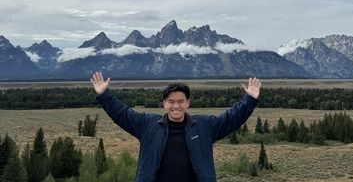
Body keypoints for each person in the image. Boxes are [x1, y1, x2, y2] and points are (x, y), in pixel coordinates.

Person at [91, 71, 261, 182]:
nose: (176, 106)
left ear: (188, 103)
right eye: (171, 101)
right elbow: (122, 114)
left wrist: (250, 100)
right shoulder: (148, 125)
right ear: (164, 103)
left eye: (180, 101)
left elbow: (231, 119)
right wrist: (104, 95)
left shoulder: (204, 126)